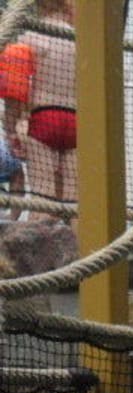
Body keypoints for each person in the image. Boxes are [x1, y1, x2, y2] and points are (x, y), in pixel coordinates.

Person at [3, 0, 76, 225]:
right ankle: (87, 252)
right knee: (75, 203)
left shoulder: (30, 39)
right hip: (77, 121)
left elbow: (15, 95)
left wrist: (11, 129)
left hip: (43, 119)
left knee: (43, 199)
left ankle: (39, 255)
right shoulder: (83, 42)